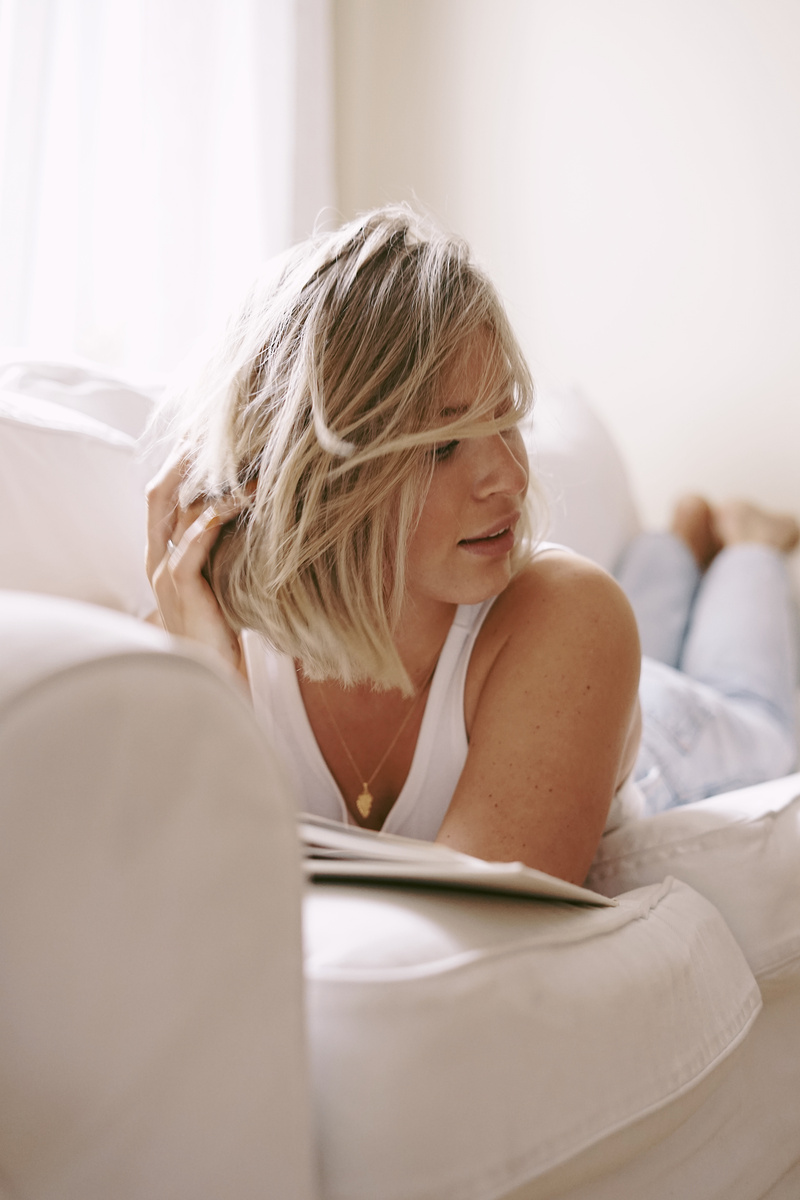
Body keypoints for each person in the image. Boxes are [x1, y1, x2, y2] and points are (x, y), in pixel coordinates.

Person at [146, 205, 798, 885]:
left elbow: (469, 931)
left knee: (756, 718)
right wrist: (207, 687)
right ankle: (674, 548)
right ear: (310, 476)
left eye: (509, 419)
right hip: (564, 688)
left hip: (651, 736)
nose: (513, 480)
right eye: (442, 445)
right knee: (645, 648)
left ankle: (749, 544)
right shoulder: (197, 644)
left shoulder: (575, 614)